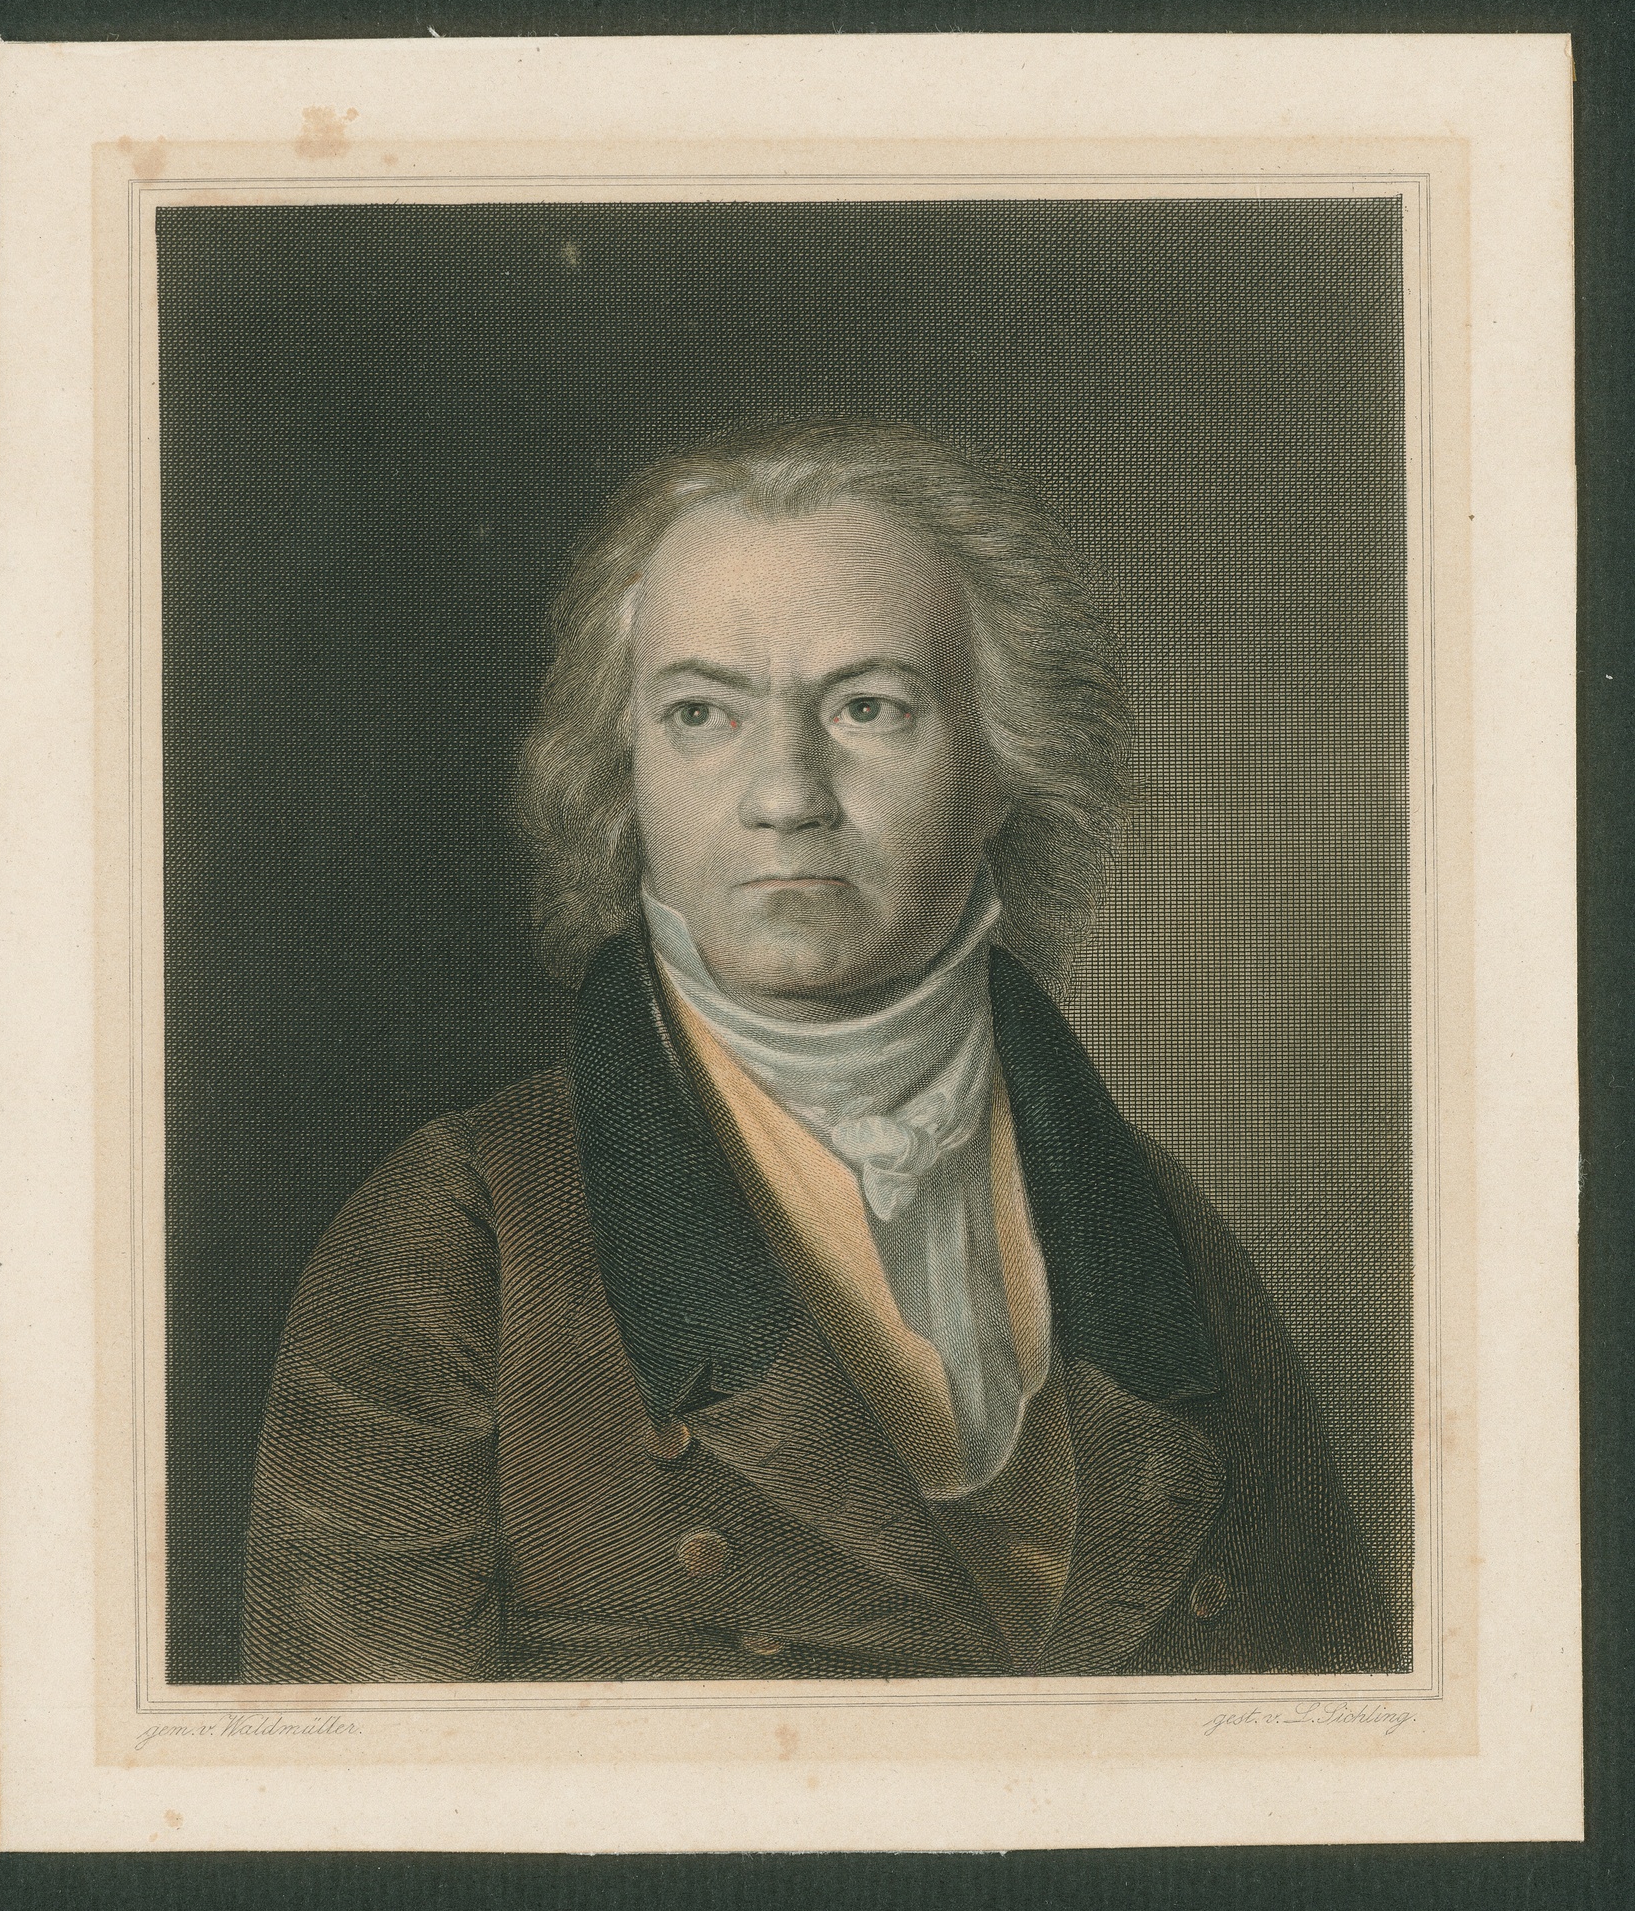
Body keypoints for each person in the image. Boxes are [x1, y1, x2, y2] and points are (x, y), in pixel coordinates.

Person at [242, 416, 1401, 1683]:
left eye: (868, 707)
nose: (786, 793)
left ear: (1001, 765)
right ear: (623, 770)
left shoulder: (1161, 1235)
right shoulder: (461, 1239)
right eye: (701, 713)